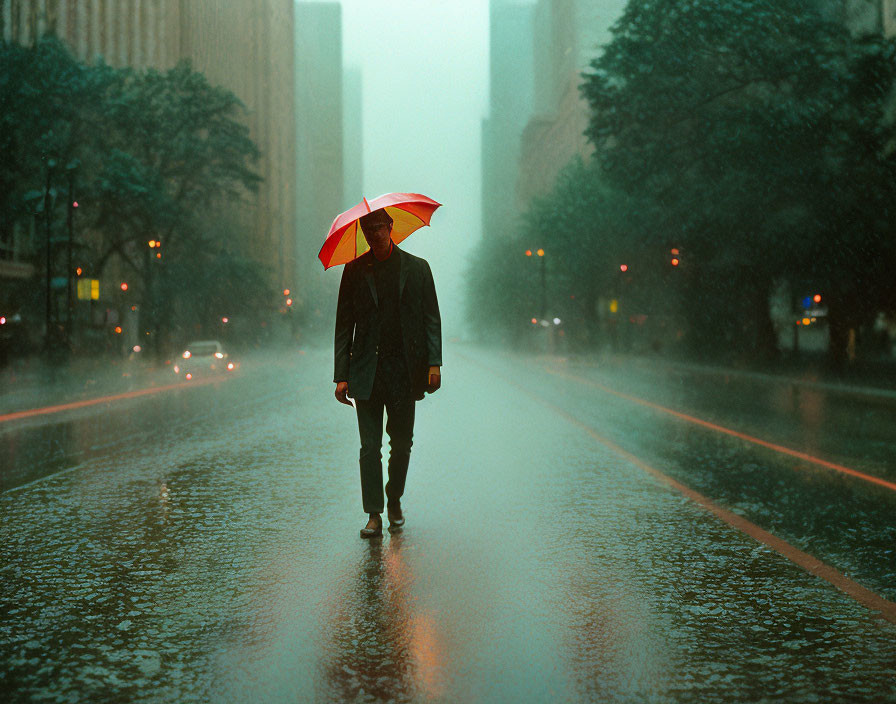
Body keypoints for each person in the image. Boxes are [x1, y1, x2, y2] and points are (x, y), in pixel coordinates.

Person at [333, 207, 442, 538]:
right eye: (368, 230)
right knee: (369, 446)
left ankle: (394, 498)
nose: (374, 234)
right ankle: (374, 514)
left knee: (402, 443)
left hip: (403, 371)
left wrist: (434, 363)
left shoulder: (417, 268)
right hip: (366, 371)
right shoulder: (354, 271)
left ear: (391, 227)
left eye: (379, 228)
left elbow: (430, 318)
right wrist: (341, 374)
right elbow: (343, 326)